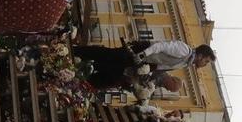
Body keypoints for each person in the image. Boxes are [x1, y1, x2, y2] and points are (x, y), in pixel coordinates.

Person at [72, 38, 215, 91]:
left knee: (111, 75)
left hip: (141, 62)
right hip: (139, 52)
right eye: (206, 61)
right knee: (108, 57)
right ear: (201, 55)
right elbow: (160, 46)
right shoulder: (185, 50)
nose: (204, 64)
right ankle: (75, 53)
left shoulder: (185, 63)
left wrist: (147, 74)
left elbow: (160, 66)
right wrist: (143, 54)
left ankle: (79, 80)